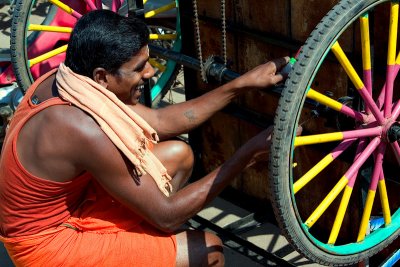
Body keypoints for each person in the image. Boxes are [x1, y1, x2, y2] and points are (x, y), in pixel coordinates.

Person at [0, 9, 289, 267]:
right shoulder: (81, 127)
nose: (150, 73)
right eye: (139, 68)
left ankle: (149, 250)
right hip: (46, 248)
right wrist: (247, 155)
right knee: (209, 249)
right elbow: (167, 216)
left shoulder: (69, 79)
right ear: (102, 77)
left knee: (179, 156)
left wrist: (241, 84)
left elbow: (161, 121)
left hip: (70, 209)